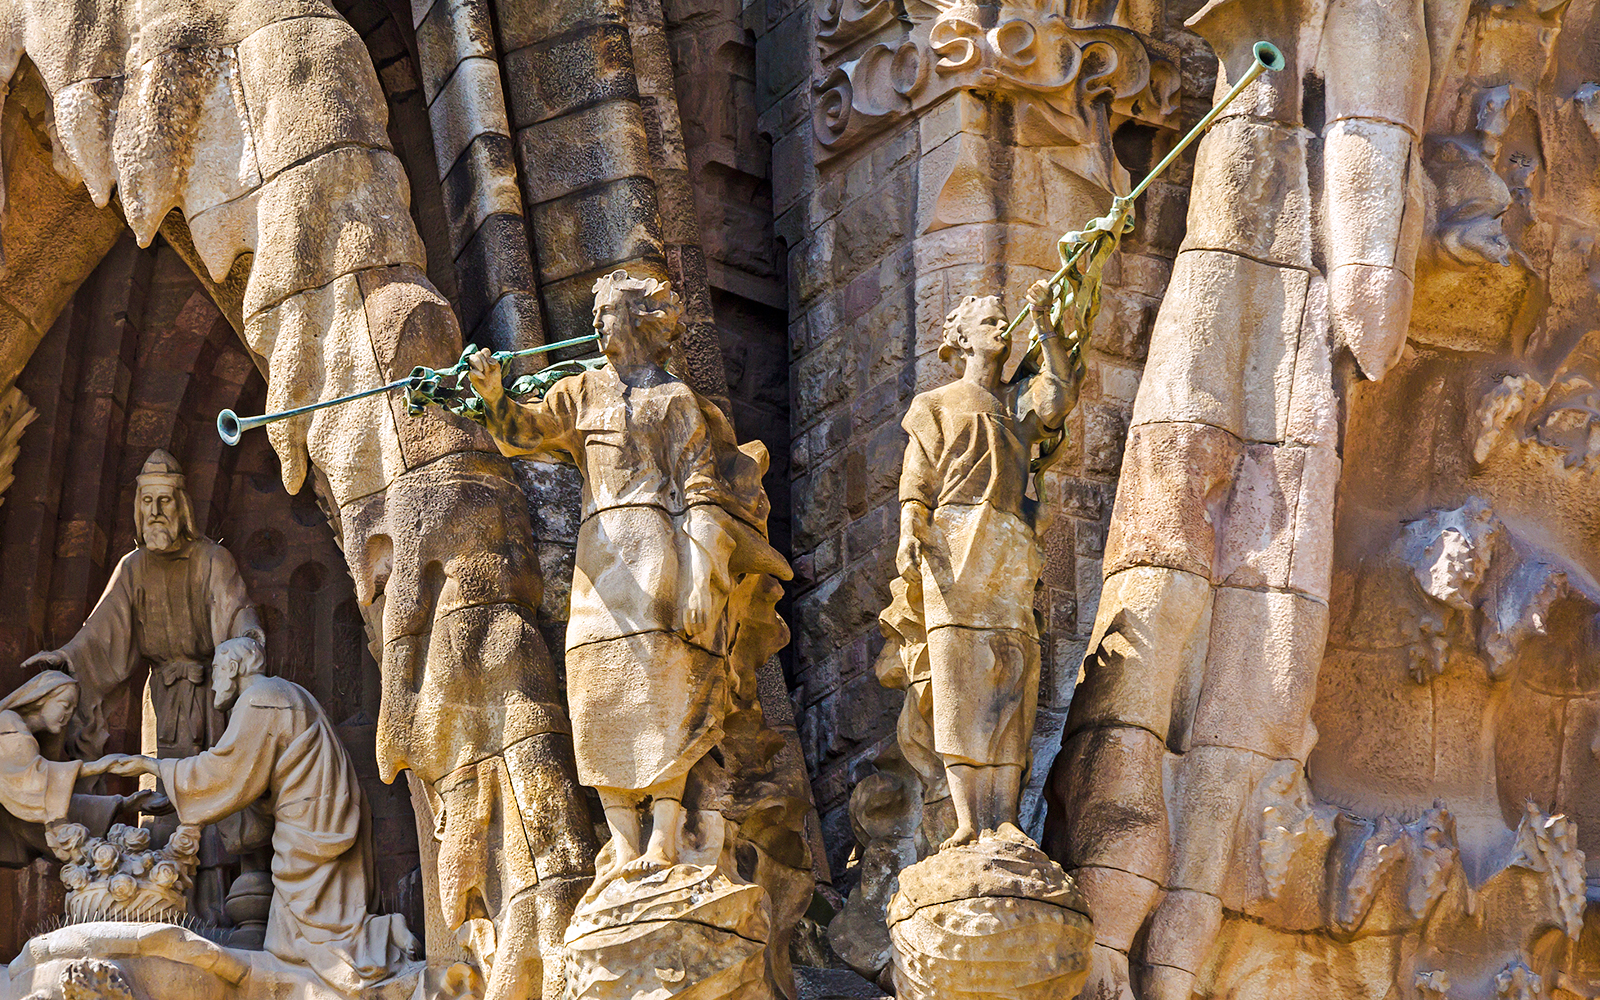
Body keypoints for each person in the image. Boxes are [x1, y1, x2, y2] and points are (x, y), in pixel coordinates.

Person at [466, 270, 788, 878]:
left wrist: (701, 575)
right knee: (594, 684)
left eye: (608, 311)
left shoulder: (674, 400)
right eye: (595, 313)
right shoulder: (581, 392)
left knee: (662, 683)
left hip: (655, 543)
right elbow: (523, 432)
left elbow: (700, 490)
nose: (596, 322)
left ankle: (662, 839)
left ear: (640, 320)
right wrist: (492, 396)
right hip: (600, 554)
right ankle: (621, 843)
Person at [879, 279, 1083, 849]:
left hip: (1009, 540)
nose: (1001, 328)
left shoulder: (1017, 404)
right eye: (989, 321)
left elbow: (1057, 399)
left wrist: (1045, 323)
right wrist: (910, 526)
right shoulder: (936, 403)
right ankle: (968, 819)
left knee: (1011, 670)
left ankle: (1005, 818)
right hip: (952, 540)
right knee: (957, 674)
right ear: (961, 338)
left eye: (1003, 320)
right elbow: (918, 473)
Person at [98, 637, 415, 990]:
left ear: (233, 668)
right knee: (301, 929)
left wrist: (152, 766)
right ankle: (382, 933)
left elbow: (226, 771)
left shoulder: (261, 699)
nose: (213, 683)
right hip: (326, 811)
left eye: (216, 671)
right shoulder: (289, 692)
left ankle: (374, 945)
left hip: (309, 819)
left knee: (312, 924)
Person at [24, 449, 264, 760]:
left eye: (164, 500)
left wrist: (248, 640)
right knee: (158, 779)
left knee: (215, 779)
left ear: (181, 506)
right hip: (162, 698)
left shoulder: (213, 560)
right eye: (147, 501)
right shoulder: (132, 567)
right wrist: (67, 658)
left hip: (212, 696)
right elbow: (101, 633)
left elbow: (238, 614)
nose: (155, 512)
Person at [0, 671, 161, 864]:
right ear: (40, 699)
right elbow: (32, 781)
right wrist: (100, 766)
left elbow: (48, 801)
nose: (67, 714)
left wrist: (123, 804)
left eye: (72, 709)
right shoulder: (7, 722)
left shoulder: (28, 744)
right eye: (64, 705)